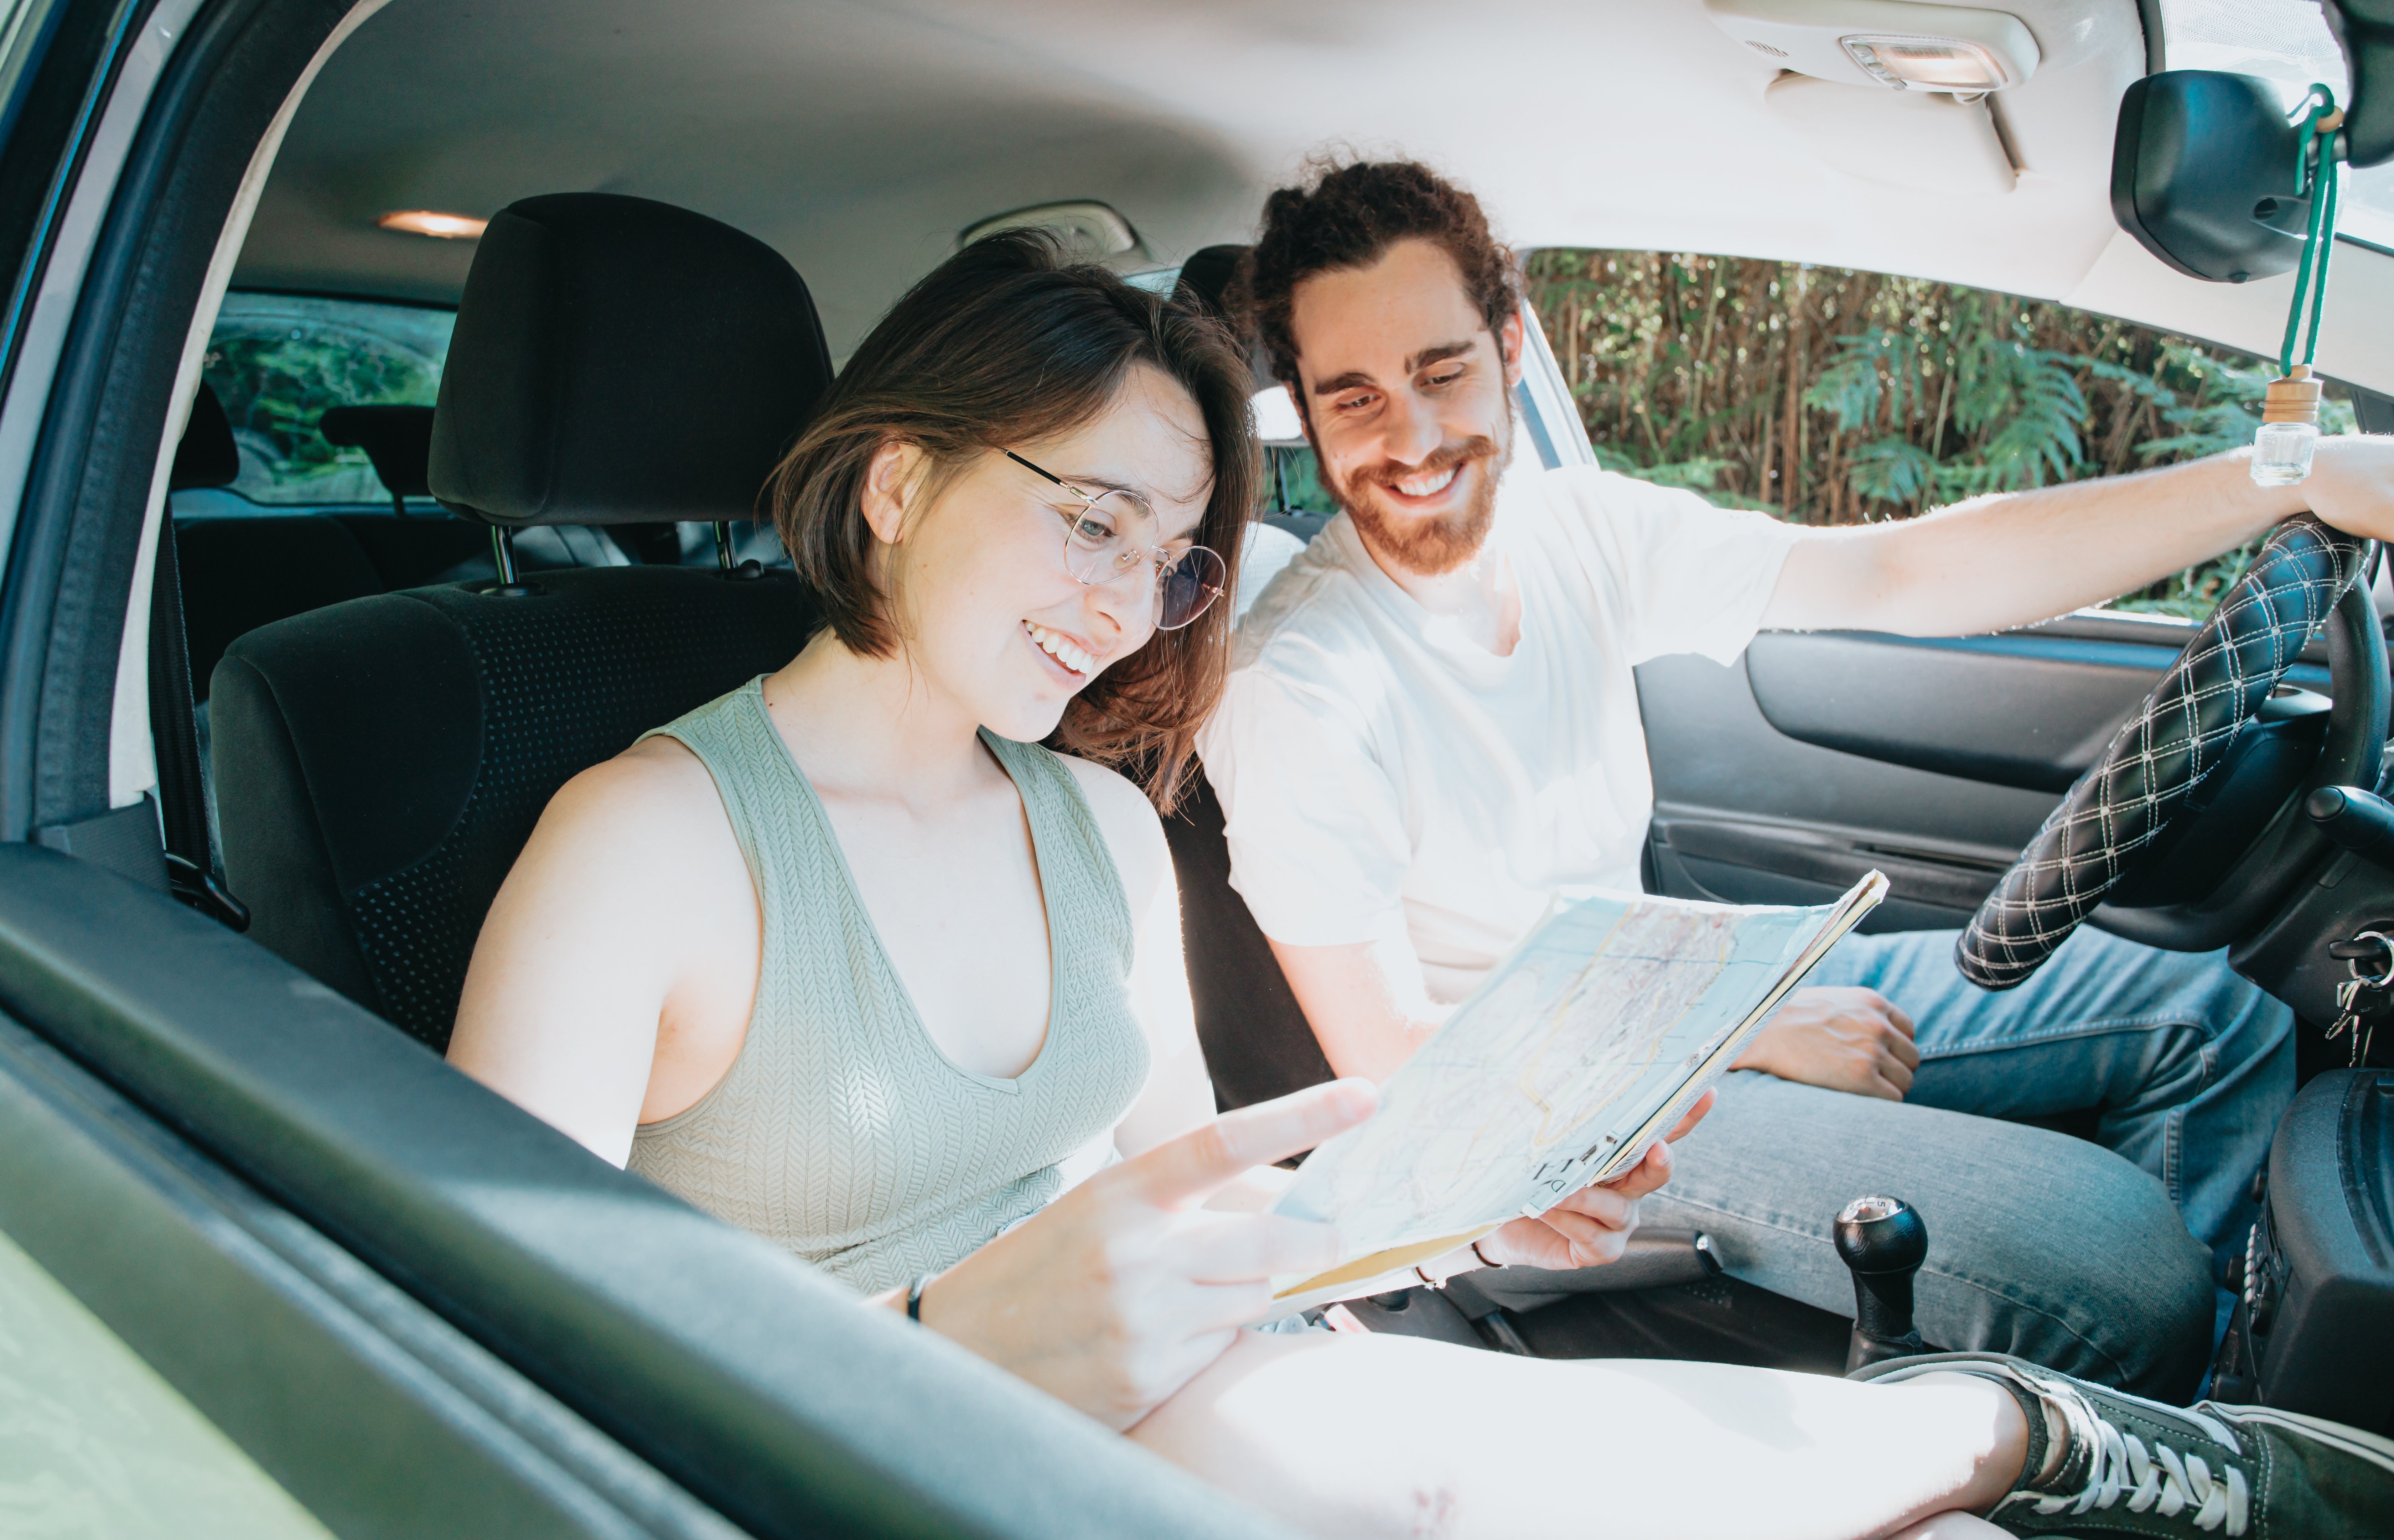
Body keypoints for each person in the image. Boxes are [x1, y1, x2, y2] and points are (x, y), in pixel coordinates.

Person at [448, 230, 2393, 1537]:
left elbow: (1191, 1211)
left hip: (1206, 1420)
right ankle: (2005, 1429)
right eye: (1090, 520)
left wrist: (1464, 1220)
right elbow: (461, 1403)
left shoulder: (1095, 824)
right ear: (893, 484)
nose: (1130, 602)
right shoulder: (643, 851)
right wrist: (943, 1350)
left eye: (1179, 551)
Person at [1196, 160, 2389, 1396]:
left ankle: (2167, 1421)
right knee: (2120, 1264)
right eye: (1354, 399)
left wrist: (2283, 480)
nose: (1414, 439)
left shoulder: (1572, 530)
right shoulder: (1299, 681)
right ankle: (2144, 1416)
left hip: (1678, 978)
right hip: (1551, 1119)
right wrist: (1739, 1038)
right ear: (1306, 412)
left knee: (2222, 1022)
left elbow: (1899, 574)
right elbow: (1400, 1064)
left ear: (1508, 347)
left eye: (1441, 371)